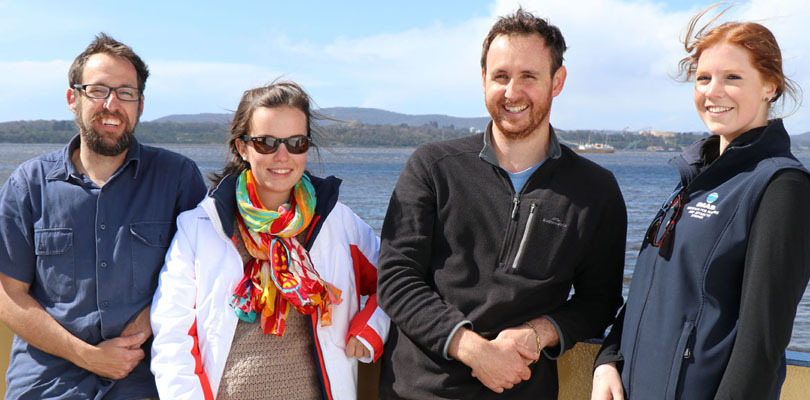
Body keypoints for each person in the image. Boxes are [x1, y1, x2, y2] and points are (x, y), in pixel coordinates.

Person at [377, 8, 627, 399]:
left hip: (524, 389)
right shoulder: (432, 166)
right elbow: (396, 278)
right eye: (501, 76)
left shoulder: (595, 189)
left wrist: (537, 332)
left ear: (557, 81)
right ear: (483, 80)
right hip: (419, 390)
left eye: (529, 76)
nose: (512, 92)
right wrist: (473, 350)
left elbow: (600, 300)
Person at [592, 5, 810, 400]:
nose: (713, 91)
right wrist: (608, 357)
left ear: (769, 86)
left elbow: (762, 343)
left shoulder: (781, 185)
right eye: (703, 78)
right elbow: (651, 289)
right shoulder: (694, 180)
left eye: (733, 77)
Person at [149, 81, 390, 400]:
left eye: (296, 142)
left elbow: (396, 279)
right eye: (266, 143)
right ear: (242, 147)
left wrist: (371, 328)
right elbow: (173, 335)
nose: (282, 156)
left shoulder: (337, 222)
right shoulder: (201, 227)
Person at [0, 33, 207, 399]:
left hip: (146, 381)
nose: (112, 104)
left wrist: (135, 338)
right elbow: (8, 293)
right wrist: (87, 356)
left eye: (126, 92)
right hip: (47, 385)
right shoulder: (27, 185)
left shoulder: (178, 178)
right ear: (72, 98)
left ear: (140, 105)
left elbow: (203, 275)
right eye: (98, 90)